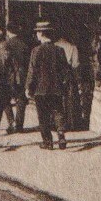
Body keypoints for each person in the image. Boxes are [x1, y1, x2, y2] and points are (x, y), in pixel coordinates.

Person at [26, 21, 75, 149]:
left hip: (40, 89)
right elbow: (66, 70)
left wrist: (28, 87)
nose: (36, 34)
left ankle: (47, 142)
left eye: (37, 32)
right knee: (58, 111)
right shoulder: (59, 50)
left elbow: (32, 71)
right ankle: (61, 134)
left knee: (43, 115)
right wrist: (64, 85)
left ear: (41, 33)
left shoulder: (36, 51)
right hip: (56, 87)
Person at [2, 24, 31, 135]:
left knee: (5, 99)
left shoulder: (5, 44)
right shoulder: (24, 44)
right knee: (21, 99)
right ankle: (19, 125)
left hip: (8, 76)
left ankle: (11, 122)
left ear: (8, 32)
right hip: (22, 75)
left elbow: (4, 61)